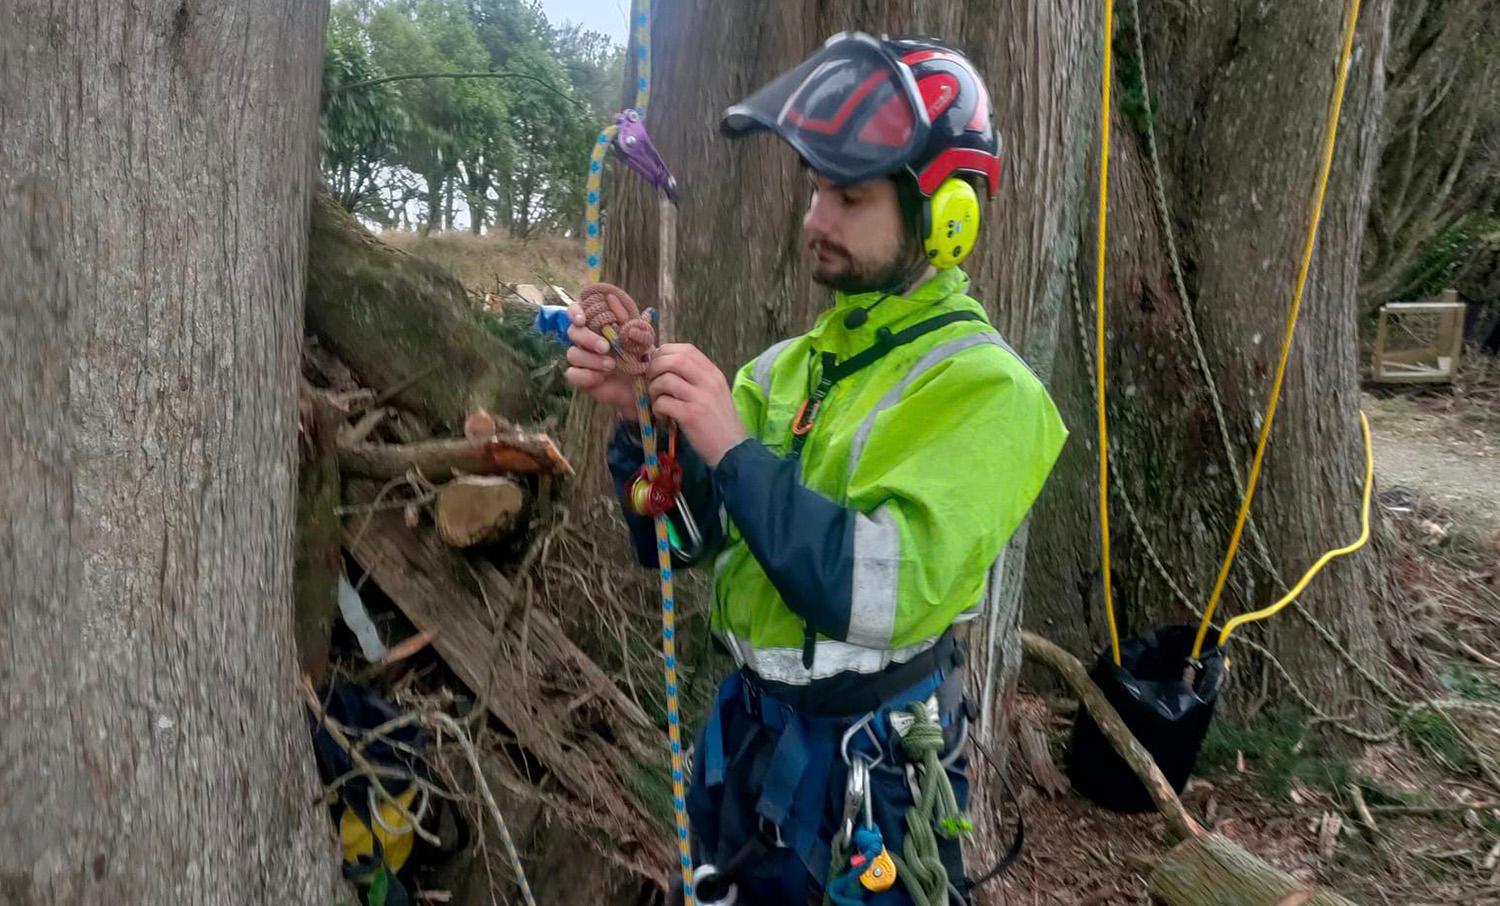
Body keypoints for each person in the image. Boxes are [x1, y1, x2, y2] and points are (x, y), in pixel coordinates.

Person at [564, 32, 1067, 905]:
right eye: (814, 190)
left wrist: (728, 444)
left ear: (945, 216)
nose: (815, 219)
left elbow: (867, 594)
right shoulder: (783, 371)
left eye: (848, 195)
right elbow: (677, 544)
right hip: (747, 756)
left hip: (869, 779)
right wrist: (647, 432)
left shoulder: (991, 392)